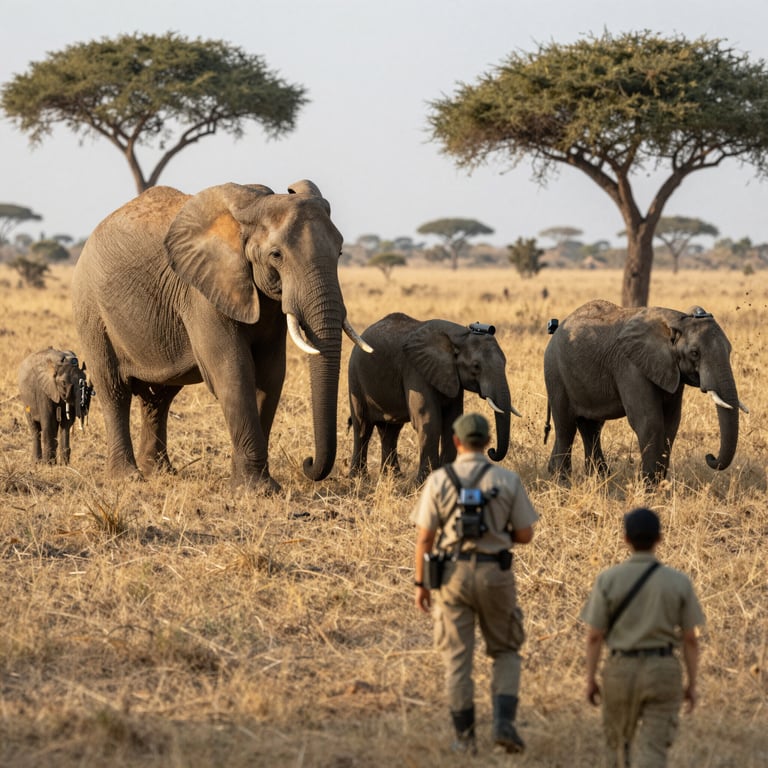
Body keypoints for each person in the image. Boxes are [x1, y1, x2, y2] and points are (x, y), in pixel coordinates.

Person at [412, 412, 539, 754]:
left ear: (455, 442)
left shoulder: (439, 480)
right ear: (486, 443)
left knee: (457, 659)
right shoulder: (507, 479)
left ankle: (465, 739)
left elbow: (425, 539)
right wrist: (501, 533)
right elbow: (525, 535)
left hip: (450, 576)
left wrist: (421, 583)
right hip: (495, 574)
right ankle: (503, 724)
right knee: (506, 650)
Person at [580, 507, 705, 768]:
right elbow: (690, 640)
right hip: (663, 670)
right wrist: (692, 684)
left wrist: (590, 678)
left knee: (616, 748)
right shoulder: (679, 581)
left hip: (619, 669)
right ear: (660, 538)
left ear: (625, 539)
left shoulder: (607, 579)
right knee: (653, 751)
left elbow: (594, 636)